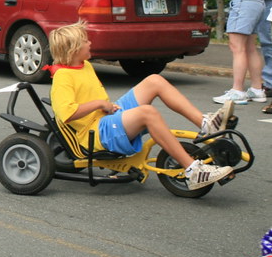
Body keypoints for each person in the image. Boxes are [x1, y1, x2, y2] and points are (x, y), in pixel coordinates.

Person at [47, 22, 235, 190]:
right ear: (72, 50)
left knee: (154, 80)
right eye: (85, 41)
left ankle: (206, 124)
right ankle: (193, 170)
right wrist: (99, 103)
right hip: (97, 133)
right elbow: (67, 113)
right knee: (147, 113)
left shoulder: (84, 65)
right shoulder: (63, 77)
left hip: (108, 115)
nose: (90, 43)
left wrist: (106, 106)